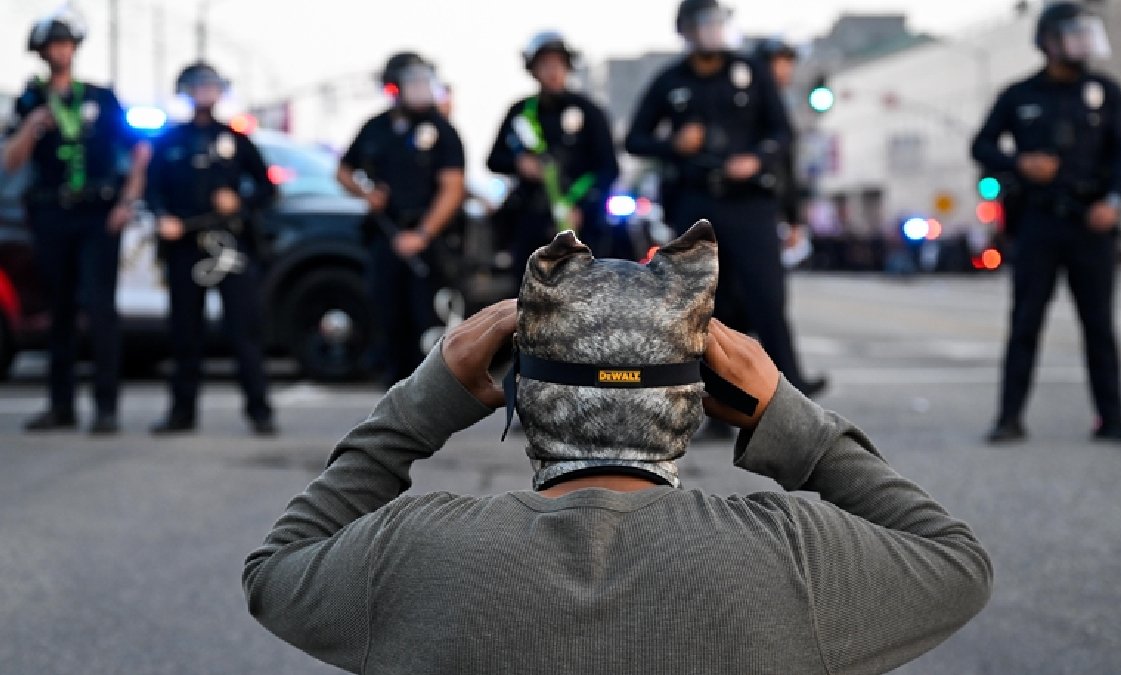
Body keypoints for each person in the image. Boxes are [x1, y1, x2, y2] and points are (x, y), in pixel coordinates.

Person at [243, 222, 991, 674]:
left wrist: (421, 402)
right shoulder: (791, 555)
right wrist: (791, 420)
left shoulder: (413, 552)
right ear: (695, 402)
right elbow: (957, 562)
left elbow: (274, 568)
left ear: (525, 398)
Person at [625, 0, 826, 406]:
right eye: (705, 23)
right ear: (686, 30)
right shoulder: (670, 81)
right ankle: (710, 400)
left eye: (719, 22)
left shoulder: (750, 71)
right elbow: (635, 139)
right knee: (703, 306)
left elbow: (782, 133)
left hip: (750, 204)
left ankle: (790, 396)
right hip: (695, 202)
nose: (714, 30)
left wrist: (757, 158)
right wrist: (674, 144)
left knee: (766, 298)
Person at [972, 1, 1121, 444]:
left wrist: (1116, 200)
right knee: (1026, 321)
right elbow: (982, 145)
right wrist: (1019, 163)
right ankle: (1009, 418)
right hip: (1038, 224)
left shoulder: (1106, 91)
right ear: (1048, 41)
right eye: (1073, 34)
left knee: (1099, 325)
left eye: (1086, 34)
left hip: (1092, 224)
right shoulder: (1020, 94)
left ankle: (1112, 417)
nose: (1082, 43)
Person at [3, 7, 148, 435]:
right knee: (59, 310)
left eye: (65, 44)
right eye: (51, 46)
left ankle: (106, 406)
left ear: (75, 50)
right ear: (41, 53)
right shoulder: (30, 100)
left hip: (98, 213)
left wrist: (128, 200)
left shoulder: (100, 98)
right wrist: (30, 127)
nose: (59, 53)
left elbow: (139, 148)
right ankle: (60, 404)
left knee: (100, 308)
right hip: (51, 214)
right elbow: (11, 163)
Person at [144, 63, 278, 436]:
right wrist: (161, 216)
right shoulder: (169, 140)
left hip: (229, 243)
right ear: (185, 91)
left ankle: (260, 411)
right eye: (198, 87)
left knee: (243, 329)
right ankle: (181, 412)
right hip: (184, 243)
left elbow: (268, 189)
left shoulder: (234, 138)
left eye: (211, 87)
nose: (205, 93)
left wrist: (239, 202)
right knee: (184, 331)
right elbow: (151, 190)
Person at [336, 52, 466, 386]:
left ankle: (433, 392)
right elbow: (344, 171)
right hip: (387, 235)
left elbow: (452, 189)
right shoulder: (376, 127)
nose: (422, 90)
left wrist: (422, 234)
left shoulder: (441, 130)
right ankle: (392, 388)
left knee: (429, 319)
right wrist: (365, 193)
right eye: (414, 83)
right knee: (388, 316)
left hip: (428, 240)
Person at [487, 31, 619, 272]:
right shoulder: (520, 112)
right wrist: (519, 164)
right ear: (533, 70)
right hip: (532, 219)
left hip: (581, 220)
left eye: (558, 64)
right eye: (545, 65)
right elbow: (494, 160)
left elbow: (609, 168)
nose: (552, 72)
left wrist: (583, 206)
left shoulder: (590, 112)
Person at [754, 36, 810, 258]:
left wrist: (793, 219)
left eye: (789, 63)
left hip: (769, 209)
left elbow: (786, 167)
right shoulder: (747, 107)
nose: (787, 70)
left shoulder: (779, 106)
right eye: (780, 63)